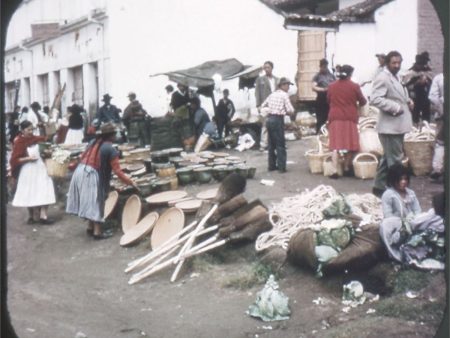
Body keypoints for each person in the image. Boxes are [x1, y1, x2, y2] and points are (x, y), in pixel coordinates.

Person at [66, 122, 138, 239]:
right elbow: (118, 171)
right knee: (97, 202)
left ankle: (90, 228)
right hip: (91, 174)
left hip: (80, 171)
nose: (117, 135)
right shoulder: (110, 149)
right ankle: (97, 232)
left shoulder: (93, 142)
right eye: (116, 133)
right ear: (111, 136)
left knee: (89, 201)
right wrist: (130, 182)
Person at [371, 51, 413, 197]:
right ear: (387, 63)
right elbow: (375, 99)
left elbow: (399, 95)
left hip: (397, 126)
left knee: (386, 159)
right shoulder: (383, 77)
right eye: (393, 63)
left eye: (399, 63)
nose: (397, 65)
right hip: (389, 127)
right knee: (395, 160)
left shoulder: (396, 77)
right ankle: (397, 189)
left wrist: (407, 101)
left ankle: (379, 187)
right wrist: (395, 107)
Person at [10, 120, 56, 224]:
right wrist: (28, 159)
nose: (31, 131)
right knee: (29, 191)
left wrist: (46, 127)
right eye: (28, 129)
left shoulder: (35, 138)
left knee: (45, 187)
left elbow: (47, 139)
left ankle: (43, 216)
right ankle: (31, 216)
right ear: (22, 130)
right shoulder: (19, 141)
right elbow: (15, 160)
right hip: (28, 169)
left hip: (40, 167)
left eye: (32, 129)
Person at [327, 64, 367, 178]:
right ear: (350, 74)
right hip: (350, 117)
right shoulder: (354, 86)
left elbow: (328, 100)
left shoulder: (331, 86)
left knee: (335, 145)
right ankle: (347, 167)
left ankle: (334, 171)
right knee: (350, 143)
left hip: (335, 117)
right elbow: (363, 101)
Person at [260, 77, 295, 173]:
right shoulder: (284, 95)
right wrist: (286, 112)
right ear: (282, 85)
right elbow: (291, 110)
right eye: (287, 85)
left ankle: (271, 166)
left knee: (271, 144)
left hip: (269, 119)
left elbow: (262, 106)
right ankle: (281, 167)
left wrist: (270, 110)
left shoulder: (272, 94)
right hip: (278, 120)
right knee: (280, 144)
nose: (288, 87)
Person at [403, 52, 433, 124]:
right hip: (414, 98)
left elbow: (432, 85)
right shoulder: (411, 73)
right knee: (414, 118)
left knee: (425, 118)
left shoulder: (428, 73)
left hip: (425, 98)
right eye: (421, 64)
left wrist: (426, 82)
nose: (423, 65)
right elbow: (405, 86)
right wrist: (417, 83)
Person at [255, 61, 279, 149]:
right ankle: (263, 145)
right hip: (265, 105)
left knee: (276, 125)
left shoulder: (277, 80)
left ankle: (276, 144)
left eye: (268, 67)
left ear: (272, 68)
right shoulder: (260, 80)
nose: (266, 69)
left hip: (276, 105)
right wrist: (258, 105)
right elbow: (257, 93)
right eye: (265, 68)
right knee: (265, 125)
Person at [312, 59, 336, 134]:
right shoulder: (317, 76)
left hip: (331, 99)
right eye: (323, 66)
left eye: (325, 66)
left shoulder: (331, 76)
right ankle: (319, 132)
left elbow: (336, 84)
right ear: (320, 66)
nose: (324, 68)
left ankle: (330, 132)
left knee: (331, 116)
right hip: (321, 98)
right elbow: (313, 87)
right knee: (320, 118)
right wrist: (323, 89)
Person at [428, 73, 444, 180]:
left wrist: (441, 109)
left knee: (441, 142)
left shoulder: (439, 77)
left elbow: (432, 96)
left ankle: (437, 169)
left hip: (443, 115)